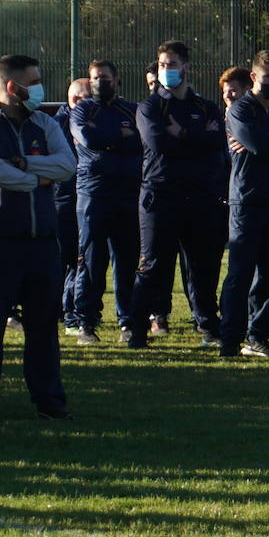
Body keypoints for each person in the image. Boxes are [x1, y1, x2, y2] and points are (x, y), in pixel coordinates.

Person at [125, 41, 228, 349]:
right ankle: (138, 330)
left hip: (201, 199)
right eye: (161, 65)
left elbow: (216, 143)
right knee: (153, 267)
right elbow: (159, 144)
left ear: (186, 67)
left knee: (204, 268)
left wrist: (181, 134)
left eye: (171, 64)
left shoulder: (206, 107)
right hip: (161, 197)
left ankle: (209, 327)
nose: (165, 70)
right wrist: (197, 139)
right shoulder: (150, 107)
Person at [0, 54, 76, 419]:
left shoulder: (44, 122)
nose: (40, 88)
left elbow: (67, 165)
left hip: (44, 242)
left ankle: (49, 401)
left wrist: (25, 165)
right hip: (4, 244)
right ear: (13, 87)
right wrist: (37, 179)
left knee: (44, 328)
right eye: (34, 81)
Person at [220, 51, 269, 359]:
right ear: (254, 77)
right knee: (240, 273)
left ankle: (258, 335)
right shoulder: (240, 111)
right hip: (247, 202)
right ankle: (229, 340)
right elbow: (260, 144)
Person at [71, 60, 141, 344]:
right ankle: (86, 323)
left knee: (126, 261)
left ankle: (128, 322)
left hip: (127, 194)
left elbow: (141, 142)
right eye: (95, 78)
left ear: (116, 79)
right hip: (93, 194)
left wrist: (109, 140)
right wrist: (119, 138)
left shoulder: (131, 110)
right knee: (91, 260)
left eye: (105, 77)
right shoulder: (83, 109)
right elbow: (87, 137)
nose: (100, 82)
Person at [54, 79, 91, 336]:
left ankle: (69, 312)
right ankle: (67, 313)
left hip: (83, 197)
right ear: (77, 99)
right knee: (68, 260)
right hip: (65, 200)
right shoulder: (58, 126)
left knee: (79, 261)